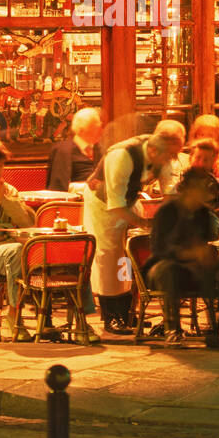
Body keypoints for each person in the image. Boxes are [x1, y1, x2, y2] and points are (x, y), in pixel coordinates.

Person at [0, 141, 87, 342]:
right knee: (18, 251)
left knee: (52, 251)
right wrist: (10, 232)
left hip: (10, 250)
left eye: (1, 166)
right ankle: (13, 315)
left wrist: (6, 202)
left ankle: (65, 318)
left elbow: (28, 222)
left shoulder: (8, 191)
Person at [82, 119, 186, 334]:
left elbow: (169, 193)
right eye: (171, 153)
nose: (173, 159)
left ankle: (127, 312)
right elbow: (115, 204)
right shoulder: (122, 155)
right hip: (103, 203)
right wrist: (145, 223)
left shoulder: (164, 156)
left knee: (127, 257)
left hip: (128, 200)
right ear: (158, 145)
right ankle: (111, 316)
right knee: (110, 257)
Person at [142, 168, 219, 346]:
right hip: (163, 266)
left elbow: (206, 243)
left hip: (193, 267)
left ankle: (214, 328)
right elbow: (158, 249)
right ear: (188, 189)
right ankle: (173, 329)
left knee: (215, 271)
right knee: (170, 270)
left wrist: (205, 255)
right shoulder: (167, 211)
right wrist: (186, 254)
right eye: (201, 187)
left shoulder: (203, 213)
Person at [45, 107, 103, 191]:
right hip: (75, 202)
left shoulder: (100, 149)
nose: (101, 130)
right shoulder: (63, 150)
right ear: (82, 129)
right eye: (96, 126)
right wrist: (87, 187)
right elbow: (58, 187)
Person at [185, 140, 219, 216]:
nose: (201, 164)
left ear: (213, 162)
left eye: (206, 160)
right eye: (198, 158)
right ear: (190, 159)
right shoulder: (181, 189)